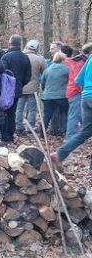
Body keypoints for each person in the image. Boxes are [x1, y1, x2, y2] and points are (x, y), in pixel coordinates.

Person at [52, 45, 92, 175]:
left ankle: (59, 154)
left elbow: (78, 80)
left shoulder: (90, 58)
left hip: (85, 97)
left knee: (86, 131)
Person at [0, 35, 31, 143]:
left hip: (6, 90)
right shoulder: (25, 57)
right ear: (20, 44)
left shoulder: (6, 57)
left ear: (9, 43)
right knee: (12, 113)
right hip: (17, 89)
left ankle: (5, 137)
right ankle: (11, 136)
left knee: (3, 113)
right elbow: (28, 76)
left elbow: (1, 73)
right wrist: (20, 84)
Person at [16, 39, 46, 133]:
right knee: (32, 109)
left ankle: (18, 126)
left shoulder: (20, 57)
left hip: (21, 87)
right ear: (37, 48)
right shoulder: (39, 59)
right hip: (33, 87)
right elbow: (45, 73)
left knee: (19, 108)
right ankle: (30, 128)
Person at [64, 43, 91, 139]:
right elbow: (78, 80)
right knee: (74, 116)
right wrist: (83, 89)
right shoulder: (81, 62)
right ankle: (70, 138)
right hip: (76, 92)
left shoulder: (77, 60)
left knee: (76, 115)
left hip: (73, 91)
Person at [40, 52, 70, 134]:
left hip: (47, 96)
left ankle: (42, 132)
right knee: (67, 113)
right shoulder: (67, 69)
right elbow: (71, 82)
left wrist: (45, 91)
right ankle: (66, 131)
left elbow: (43, 83)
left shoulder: (47, 70)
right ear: (63, 60)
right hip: (62, 96)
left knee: (47, 115)